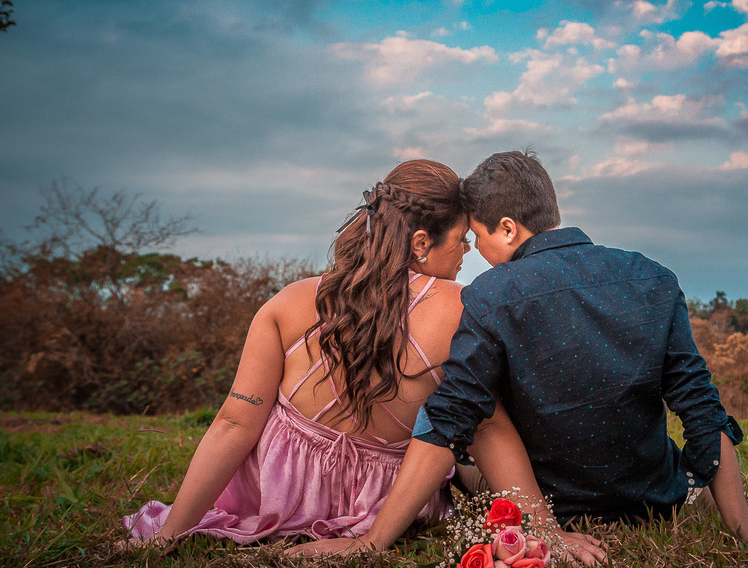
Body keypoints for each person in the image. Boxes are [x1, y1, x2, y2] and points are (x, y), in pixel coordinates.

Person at [292, 150, 748, 564]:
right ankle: (733, 499)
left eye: (476, 237)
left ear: (507, 229)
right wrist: (746, 533)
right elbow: (699, 408)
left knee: (471, 430)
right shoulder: (654, 277)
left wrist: (372, 542)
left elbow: (449, 418)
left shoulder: (488, 295)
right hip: (655, 500)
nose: (474, 251)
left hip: (548, 506)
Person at [123, 159, 480, 544]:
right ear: (421, 242)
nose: (467, 248)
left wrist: (170, 531)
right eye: (461, 237)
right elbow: (482, 427)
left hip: (278, 498)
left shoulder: (290, 302)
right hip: (385, 509)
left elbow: (234, 423)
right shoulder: (463, 307)